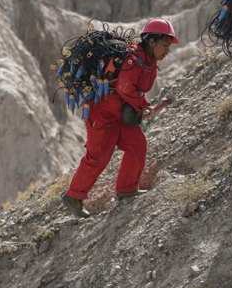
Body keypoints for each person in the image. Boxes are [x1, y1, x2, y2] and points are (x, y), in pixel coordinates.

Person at [61, 19, 178, 218]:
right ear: (151, 42)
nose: (167, 50)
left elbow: (133, 88)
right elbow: (124, 87)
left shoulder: (148, 62)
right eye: (165, 45)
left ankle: (127, 189)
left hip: (119, 113)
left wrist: (143, 104)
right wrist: (142, 106)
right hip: (103, 113)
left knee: (137, 145)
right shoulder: (135, 60)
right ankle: (73, 196)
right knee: (98, 156)